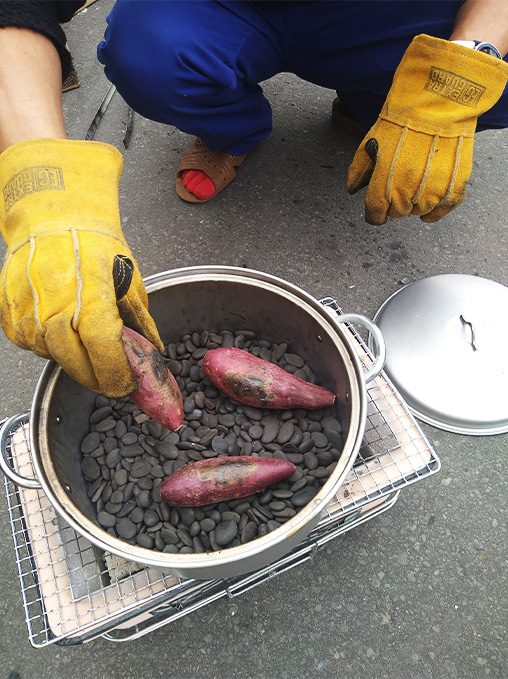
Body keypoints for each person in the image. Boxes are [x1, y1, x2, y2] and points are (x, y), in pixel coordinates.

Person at [1, 0, 507, 399]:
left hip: (389, 10)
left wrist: (454, 82)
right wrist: (46, 196)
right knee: (146, 52)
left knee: (497, 79)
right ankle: (232, 131)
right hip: (226, 7)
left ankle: (376, 106)